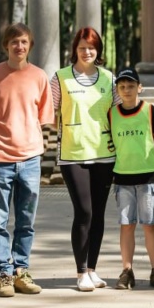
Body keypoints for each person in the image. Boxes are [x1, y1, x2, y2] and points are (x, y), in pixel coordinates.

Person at [0, 23, 54, 298]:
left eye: (24, 42)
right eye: (14, 42)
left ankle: (21, 270)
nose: (19, 46)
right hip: (0, 161)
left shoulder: (40, 77)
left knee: (26, 221)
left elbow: (43, 118)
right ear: (6, 45)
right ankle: (3, 273)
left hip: (30, 159)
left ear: (30, 45)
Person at [52, 27, 117, 292]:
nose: (87, 52)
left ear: (98, 50)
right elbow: (47, 110)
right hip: (73, 154)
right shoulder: (61, 78)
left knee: (99, 214)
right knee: (84, 212)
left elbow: (118, 112)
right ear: (74, 50)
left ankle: (92, 269)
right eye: (82, 47)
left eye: (91, 47)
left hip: (105, 153)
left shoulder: (108, 78)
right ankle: (80, 273)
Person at [110, 68, 154, 290]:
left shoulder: (150, 110)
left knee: (150, 225)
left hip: (147, 176)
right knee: (127, 225)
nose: (127, 90)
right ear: (117, 89)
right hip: (122, 176)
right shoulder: (112, 113)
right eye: (122, 87)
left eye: (131, 86)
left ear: (139, 88)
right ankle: (127, 270)